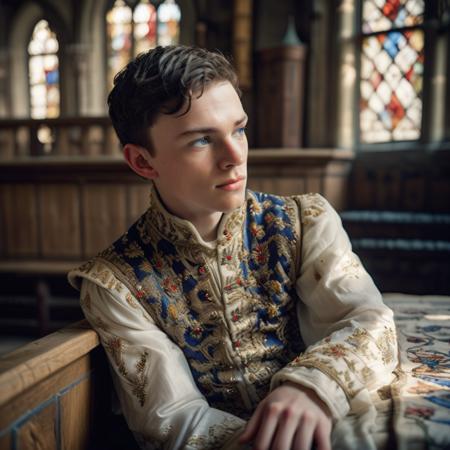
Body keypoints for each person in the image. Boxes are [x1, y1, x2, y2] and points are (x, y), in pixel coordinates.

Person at [68, 45, 398, 450]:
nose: (234, 156)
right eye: (202, 140)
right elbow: (174, 421)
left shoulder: (305, 222)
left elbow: (370, 323)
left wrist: (312, 388)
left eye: (238, 129)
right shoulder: (114, 283)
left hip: (332, 420)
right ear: (142, 162)